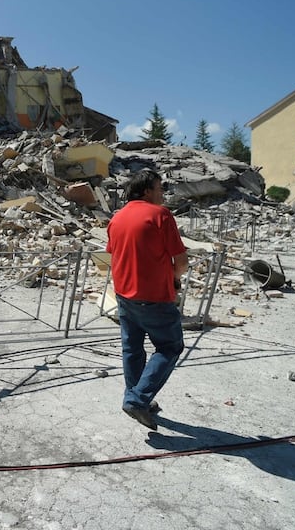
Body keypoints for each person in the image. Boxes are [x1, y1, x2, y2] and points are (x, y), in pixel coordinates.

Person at [106, 169, 188, 431]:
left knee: (132, 349)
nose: (163, 193)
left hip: (124, 294)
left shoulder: (116, 219)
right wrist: (175, 278)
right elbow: (182, 262)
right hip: (154, 296)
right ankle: (138, 399)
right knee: (169, 347)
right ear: (146, 191)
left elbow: (114, 254)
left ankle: (136, 397)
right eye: (159, 188)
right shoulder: (161, 215)